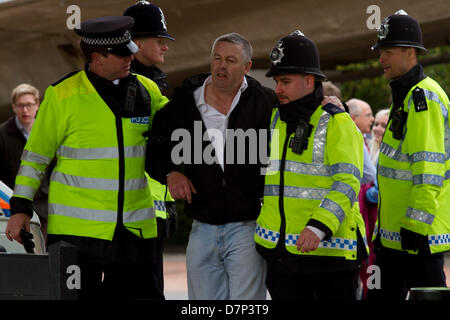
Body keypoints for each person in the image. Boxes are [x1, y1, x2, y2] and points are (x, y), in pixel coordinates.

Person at [5, 16, 169, 299]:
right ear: (97, 57)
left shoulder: (147, 90)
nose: (130, 56)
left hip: (134, 231)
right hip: (77, 236)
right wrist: (20, 208)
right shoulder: (62, 95)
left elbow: (176, 133)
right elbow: (35, 158)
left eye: (130, 48)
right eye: (121, 53)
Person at [147, 32, 277, 299]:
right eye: (217, 58)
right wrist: (170, 173)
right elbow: (154, 147)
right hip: (201, 227)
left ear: (247, 67)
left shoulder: (265, 102)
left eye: (231, 60)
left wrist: (330, 101)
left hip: (248, 227)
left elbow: (303, 114)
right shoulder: (184, 102)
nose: (221, 66)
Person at [255, 30, 367, 300]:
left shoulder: (336, 121)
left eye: (285, 81)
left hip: (330, 255)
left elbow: (348, 182)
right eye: (277, 82)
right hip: (282, 255)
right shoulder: (275, 120)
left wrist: (318, 226)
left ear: (308, 80)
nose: (278, 89)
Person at [369, 10, 450, 299]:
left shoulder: (422, 98)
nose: (381, 59)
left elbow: (429, 169)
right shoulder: (406, 95)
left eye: (387, 51)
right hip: (396, 238)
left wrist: (415, 226)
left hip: (417, 238)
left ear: (409, 52)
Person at [123, 0, 177, 297]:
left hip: (151, 208)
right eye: (160, 40)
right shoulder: (133, 87)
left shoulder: (152, 82)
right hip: (136, 212)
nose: (165, 46)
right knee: (145, 290)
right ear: (137, 42)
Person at [0, 84, 51, 241]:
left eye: (29, 105)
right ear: (14, 107)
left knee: (45, 251)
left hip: (45, 205)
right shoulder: (2, 134)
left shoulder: (49, 132)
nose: (25, 110)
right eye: (21, 105)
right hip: (13, 204)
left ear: (37, 105)